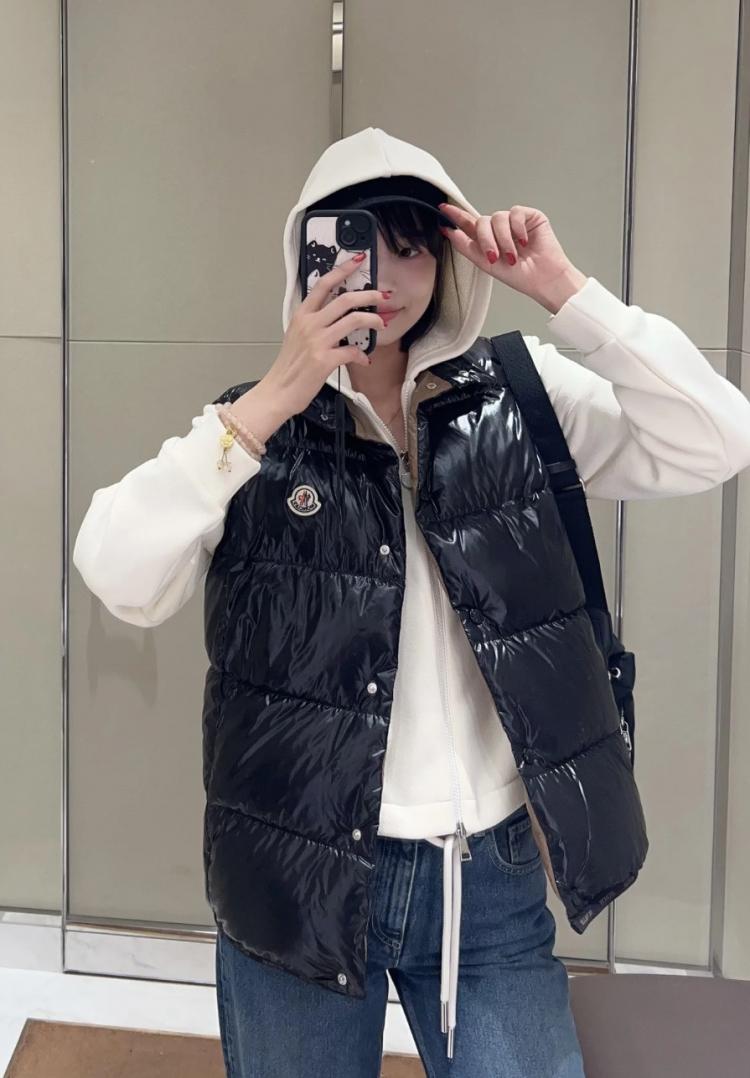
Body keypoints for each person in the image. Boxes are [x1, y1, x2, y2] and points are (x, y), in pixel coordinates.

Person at [73, 126, 750, 1077]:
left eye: (411, 246)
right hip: (297, 870)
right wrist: (274, 396)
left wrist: (567, 292)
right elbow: (116, 573)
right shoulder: (250, 432)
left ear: (447, 260)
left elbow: (718, 438)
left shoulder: (520, 394)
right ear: (306, 256)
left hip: (488, 878)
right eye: (356, 246)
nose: (384, 277)